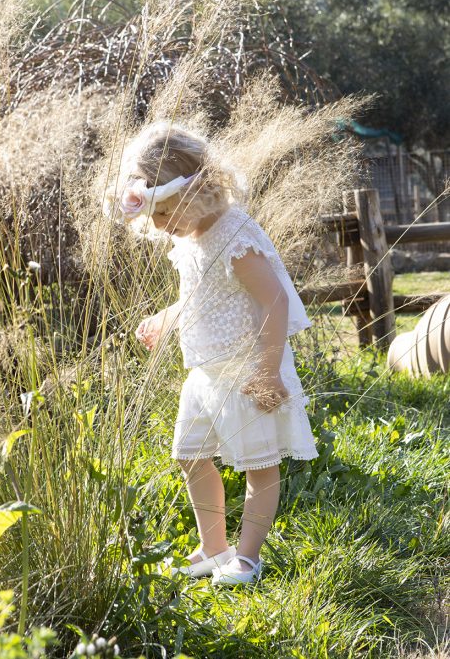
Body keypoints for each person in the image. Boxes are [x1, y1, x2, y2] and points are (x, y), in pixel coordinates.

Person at [102, 120, 318, 586]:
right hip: (204, 371)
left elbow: (273, 300)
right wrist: (167, 317)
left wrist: (267, 370)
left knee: (260, 465)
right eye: (153, 218)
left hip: (247, 367)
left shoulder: (235, 236)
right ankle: (213, 547)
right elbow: (201, 293)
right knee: (190, 454)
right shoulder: (190, 238)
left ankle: (248, 556)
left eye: (163, 213)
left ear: (195, 191)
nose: (159, 227)